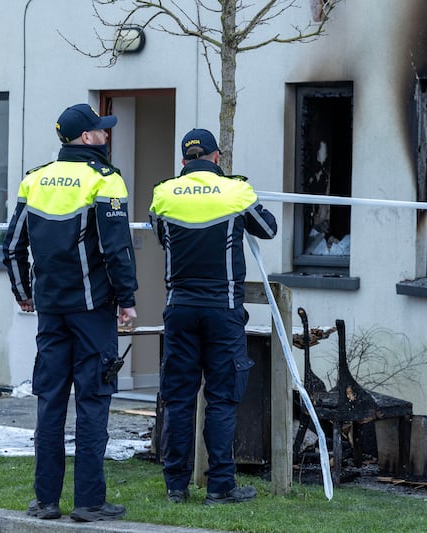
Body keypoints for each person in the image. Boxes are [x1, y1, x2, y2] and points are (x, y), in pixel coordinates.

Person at [2, 103, 138, 523]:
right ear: (85, 138)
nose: (106, 135)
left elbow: (12, 247)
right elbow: (117, 249)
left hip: (50, 310)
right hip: (93, 311)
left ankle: (45, 501)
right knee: (94, 401)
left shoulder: (35, 179)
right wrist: (127, 299)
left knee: (51, 402)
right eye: (101, 130)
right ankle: (89, 502)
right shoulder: (105, 179)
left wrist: (24, 294)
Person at [149, 128, 277, 505]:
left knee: (179, 398)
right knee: (221, 398)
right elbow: (268, 228)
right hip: (223, 310)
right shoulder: (236, 190)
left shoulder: (163, 192)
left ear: (183, 161)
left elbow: (161, 236)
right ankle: (220, 486)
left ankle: (176, 486)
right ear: (217, 157)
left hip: (180, 308)